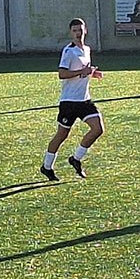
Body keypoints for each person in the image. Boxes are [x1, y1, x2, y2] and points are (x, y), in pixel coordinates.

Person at [40, 18, 104, 181]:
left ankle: (75, 159)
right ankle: (47, 167)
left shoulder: (87, 49)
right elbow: (62, 74)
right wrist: (82, 72)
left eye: (80, 30)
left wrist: (91, 73)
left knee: (98, 129)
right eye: (75, 30)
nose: (78, 33)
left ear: (85, 31)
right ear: (71, 33)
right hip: (69, 101)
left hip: (84, 100)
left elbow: (83, 71)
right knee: (62, 135)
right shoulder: (69, 51)